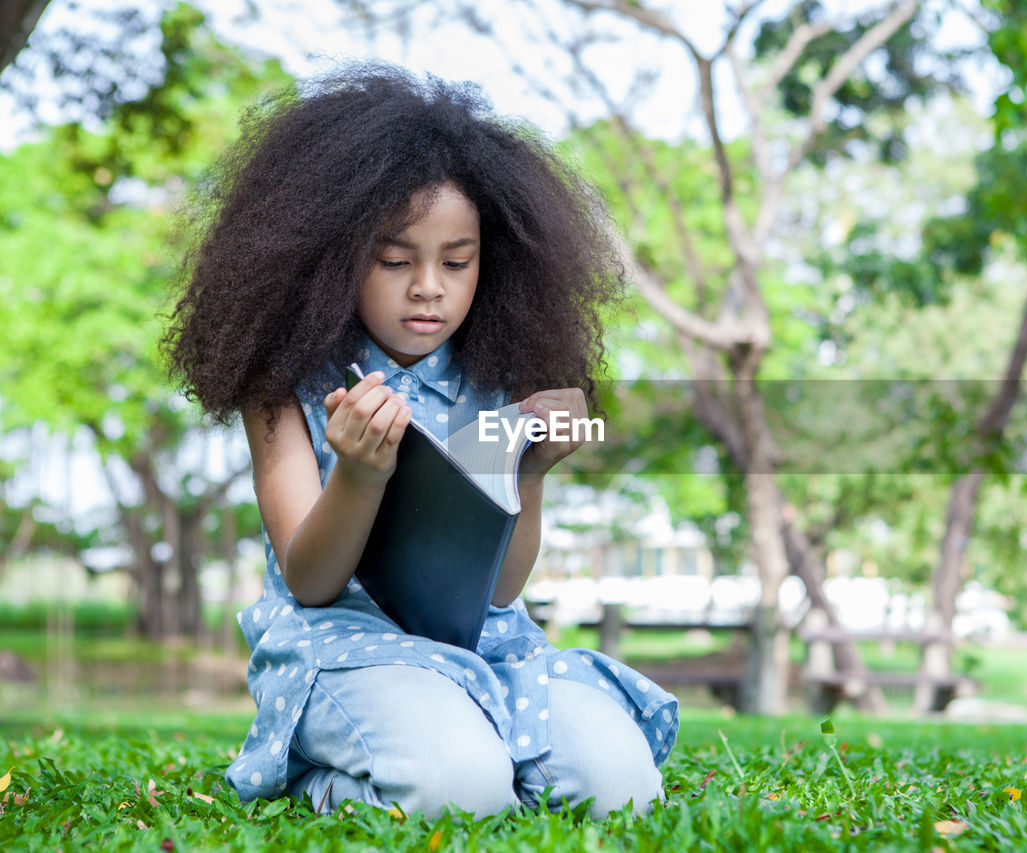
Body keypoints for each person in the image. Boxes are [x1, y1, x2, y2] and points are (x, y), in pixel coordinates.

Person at [165, 64, 677, 819]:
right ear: (331, 256)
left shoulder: (498, 371)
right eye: (396, 259)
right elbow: (310, 578)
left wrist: (528, 474)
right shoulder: (284, 381)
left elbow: (500, 589)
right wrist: (360, 476)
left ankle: (479, 746)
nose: (429, 286)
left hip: (488, 647)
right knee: (455, 791)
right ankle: (318, 778)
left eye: (457, 262)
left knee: (621, 790)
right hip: (344, 643)